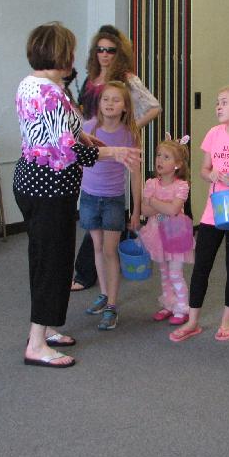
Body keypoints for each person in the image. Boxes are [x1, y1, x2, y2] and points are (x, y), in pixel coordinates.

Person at [14, 22, 140, 368]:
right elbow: (66, 151)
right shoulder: (50, 92)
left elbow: (59, 132)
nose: (74, 55)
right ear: (60, 53)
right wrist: (114, 152)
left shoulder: (34, 84)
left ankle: (45, 329)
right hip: (48, 188)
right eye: (69, 49)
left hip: (37, 182)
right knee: (51, 263)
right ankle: (36, 343)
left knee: (47, 260)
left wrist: (87, 138)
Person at [169, 84, 229, 343]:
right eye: (217, 102)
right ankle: (193, 321)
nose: (218, 107)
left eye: (224, 102)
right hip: (214, 211)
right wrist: (210, 175)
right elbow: (204, 170)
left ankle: (228, 318)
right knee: (202, 265)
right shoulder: (214, 133)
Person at [72, 25, 161, 291]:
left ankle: (87, 274)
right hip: (90, 145)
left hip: (114, 150)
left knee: (107, 210)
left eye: (110, 50)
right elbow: (83, 113)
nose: (105, 54)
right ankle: (97, 271)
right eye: (100, 49)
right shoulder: (90, 78)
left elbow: (154, 107)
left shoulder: (126, 79)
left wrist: (128, 129)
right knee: (94, 214)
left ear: (118, 53)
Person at [81, 82, 142, 331]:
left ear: (125, 107)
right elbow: (77, 160)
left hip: (113, 200)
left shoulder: (129, 134)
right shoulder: (88, 128)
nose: (109, 104)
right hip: (88, 197)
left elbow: (136, 174)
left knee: (109, 250)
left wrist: (137, 209)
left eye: (116, 100)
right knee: (97, 247)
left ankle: (112, 306)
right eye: (106, 99)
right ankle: (104, 294)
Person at [139, 135, 194, 325]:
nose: (160, 160)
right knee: (164, 273)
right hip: (156, 235)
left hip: (175, 235)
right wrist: (162, 205)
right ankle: (169, 304)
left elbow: (173, 210)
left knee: (175, 273)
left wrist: (153, 201)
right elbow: (145, 211)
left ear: (177, 164)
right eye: (158, 155)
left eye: (166, 157)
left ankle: (182, 307)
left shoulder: (182, 186)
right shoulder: (151, 183)